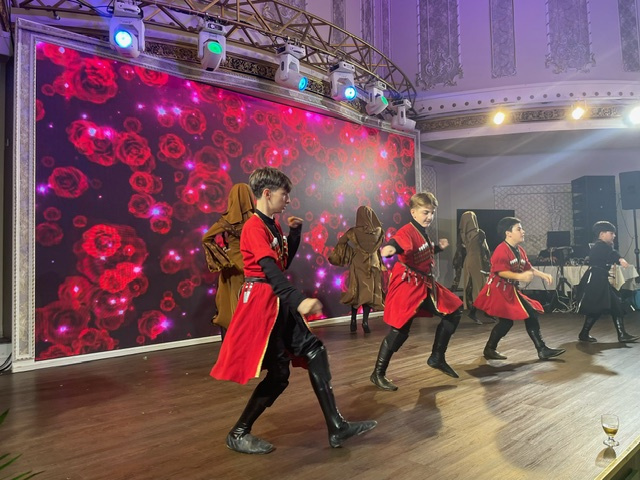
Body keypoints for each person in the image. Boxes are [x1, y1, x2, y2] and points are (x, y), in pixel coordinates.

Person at [211, 167, 376, 454]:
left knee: (314, 352)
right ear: (267, 193)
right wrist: (297, 300)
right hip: (263, 304)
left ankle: (337, 427)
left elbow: (281, 263)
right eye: (284, 194)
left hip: (275, 301)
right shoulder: (253, 227)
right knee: (279, 375)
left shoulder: (270, 225)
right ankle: (238, 433)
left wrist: (294, 234)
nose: (287, 200)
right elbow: (270, 271)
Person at [370, 192, 463, 391]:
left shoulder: (421, 231)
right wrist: (389, 250)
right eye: (425, 212)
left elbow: (420, 250)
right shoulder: (407, 231)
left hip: (423, 283)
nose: (429, 216)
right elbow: (398, 243)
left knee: (454, 311)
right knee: (400, 331)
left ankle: (437, 357)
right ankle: (377, 373)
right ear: (413, 212)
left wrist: (438, 247)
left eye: (432, 212)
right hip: (408, 284)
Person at [474, 217, 566, 361]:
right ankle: (540, 349)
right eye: (519, 229)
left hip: (510, 290)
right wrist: (520, 277)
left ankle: (491, 349)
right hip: (499, 291)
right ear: (508, 233)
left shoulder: (520, 250)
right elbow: (500, 272)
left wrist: (543, 275)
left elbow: (528, 267)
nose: (523, 232)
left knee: (518, 318)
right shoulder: (501, 250)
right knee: (514, 319)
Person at [202, 183, 255, 339]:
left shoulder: (226, 220)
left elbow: (206, 238)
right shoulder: (256, 220)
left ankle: (236, 341)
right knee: (251, 303)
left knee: (232, 305)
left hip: (233, 266)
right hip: (252, 264)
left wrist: (222, 257)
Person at [576, 221, 639, 343]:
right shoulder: (600, 246)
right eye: (611, 233)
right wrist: (620, 259)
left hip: (600, 278)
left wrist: (618, 258)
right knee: (599, 307)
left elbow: (610, 252)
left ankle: (621, 334)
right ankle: (584, 333)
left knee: (615, 305)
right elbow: (611, 253)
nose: (614, 236)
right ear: (602, 234)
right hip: (595, 280)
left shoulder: (603, 246)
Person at [328, 205, 385, 334]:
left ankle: (353, 320)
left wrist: (351, 251)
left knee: (356, 292)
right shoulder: (379, 231)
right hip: (374, 265)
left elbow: (341, 241)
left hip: (358, 264)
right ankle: (365, 322)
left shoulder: (353, 231)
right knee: (369, 294)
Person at [458, 211, 493, 325]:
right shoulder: (479, 233)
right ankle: (478, 312)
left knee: (472, 286)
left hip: (468, 261)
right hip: (478, 261)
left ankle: (482, 311)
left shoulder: (462, 234)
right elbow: (485, 249)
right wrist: (489, 262)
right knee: (481, 286)